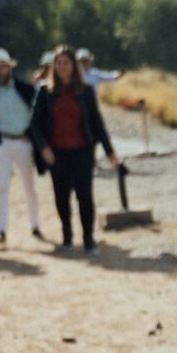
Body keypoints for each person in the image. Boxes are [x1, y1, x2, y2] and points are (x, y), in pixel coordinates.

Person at [32, 45, 121, 252]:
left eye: (66, 62)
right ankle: (67, 236)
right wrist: (44, 148)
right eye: (59, 63)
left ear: (74, 65)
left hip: (82, 151)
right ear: (54, 66)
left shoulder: (85, 91)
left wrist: (110, 152)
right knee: (61, 196)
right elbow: (35, 124)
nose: (62, 67)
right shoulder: (45, 91)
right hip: (57, 153)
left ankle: (88, 239)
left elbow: (97, 123)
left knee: (84, 195)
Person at [0, 48, 47, 243]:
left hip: (23, 142)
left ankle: (35, 225)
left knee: (29, 185)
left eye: (0, 68)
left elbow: (38, 114)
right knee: (2, 186)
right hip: (2, 143)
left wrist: (32, 136)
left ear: (8, 68)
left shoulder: (26, 89)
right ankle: (1, 229)